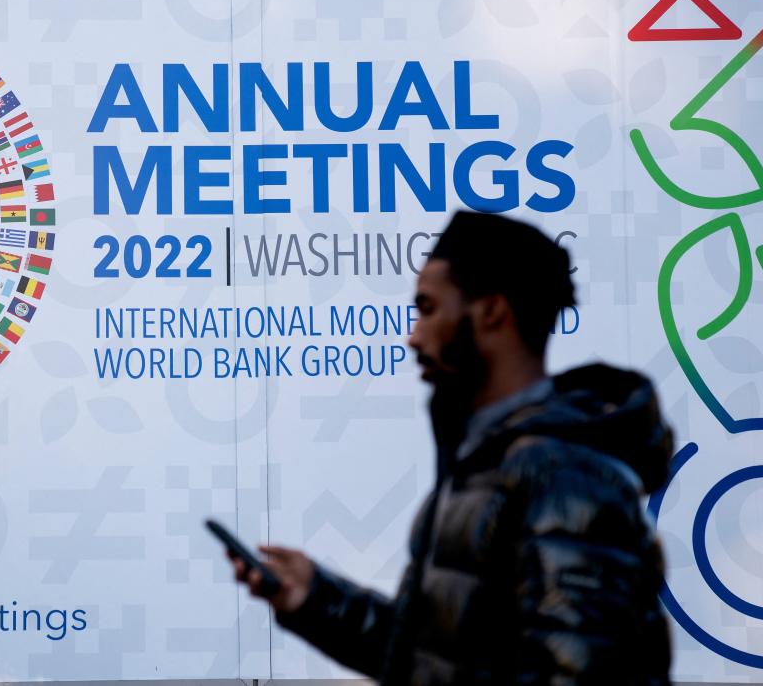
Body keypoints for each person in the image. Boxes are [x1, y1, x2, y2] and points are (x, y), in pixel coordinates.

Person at [227, 211, 674, 685]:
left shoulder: (564, 479)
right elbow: (432, 660)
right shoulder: (491, 464)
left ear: (492, 312)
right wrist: (314, 597)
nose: (413, 335)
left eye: (428, 308)